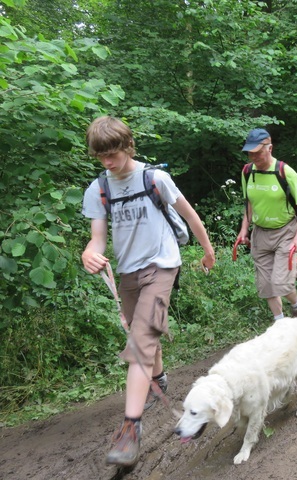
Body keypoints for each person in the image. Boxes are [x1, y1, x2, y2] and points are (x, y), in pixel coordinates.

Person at [80, 116, 216, 467]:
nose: (108, 162)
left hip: (162, 265)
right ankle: (159, 378)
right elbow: (97, 239)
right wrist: (90, 254)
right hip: (127, 272)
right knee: (145, 335)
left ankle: (130, 429)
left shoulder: (155, 178)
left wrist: (207, 249)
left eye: (113, 154)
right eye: (101, 156)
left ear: (127, 146)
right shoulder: (98, 189)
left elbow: (189, 215)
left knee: (141, 340)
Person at [236, 128, 297, 321]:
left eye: (257, 153)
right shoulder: (247, 172)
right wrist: (244, 230)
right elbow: (249, 204)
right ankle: (280, 323)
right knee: (265, 286)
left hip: (285, 231)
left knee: (280, 282)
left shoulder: (284, 171)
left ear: (270, 148)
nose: (253, 157)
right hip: (260, 234)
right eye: (250, 153)